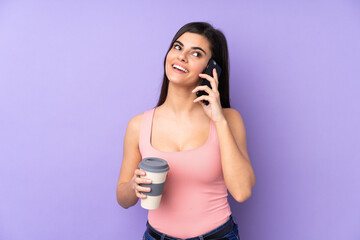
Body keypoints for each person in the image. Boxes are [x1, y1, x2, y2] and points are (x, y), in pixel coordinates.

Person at [116, 22, 256, 240]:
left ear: (212, 69)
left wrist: (218, 120)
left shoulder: (230, 120)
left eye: (196, 53)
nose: (182, 57)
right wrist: (134, 186)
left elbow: (242, 191)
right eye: (178, 47)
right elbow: (123, 199)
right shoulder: (138, 125)